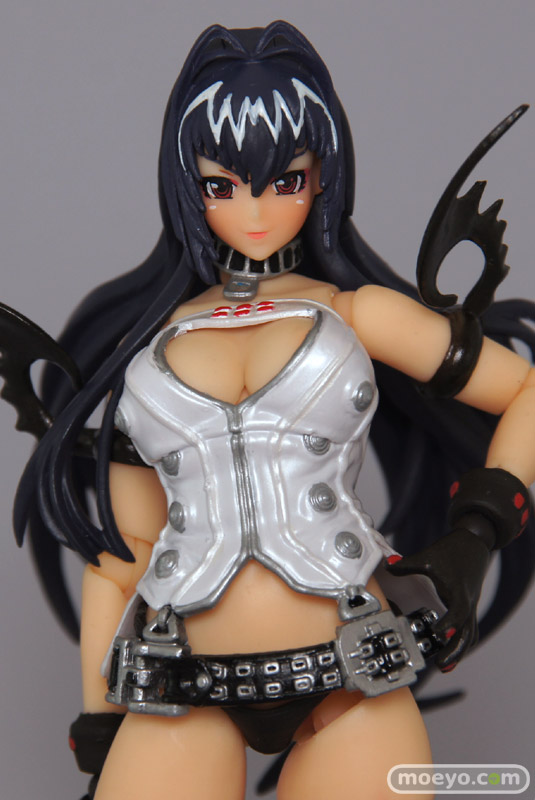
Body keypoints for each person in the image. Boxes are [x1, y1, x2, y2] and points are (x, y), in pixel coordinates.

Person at [9, 21, 535, 800]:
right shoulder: (144, 346)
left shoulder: (356, 313)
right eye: (222, 185)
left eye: (284, 181)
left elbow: (524, 390)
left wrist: (475, 535)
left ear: (322, 177)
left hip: (352, 669)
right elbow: (124, 552)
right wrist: (97, 719)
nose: (254, 211)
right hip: (182, 678)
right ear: (186, 186)